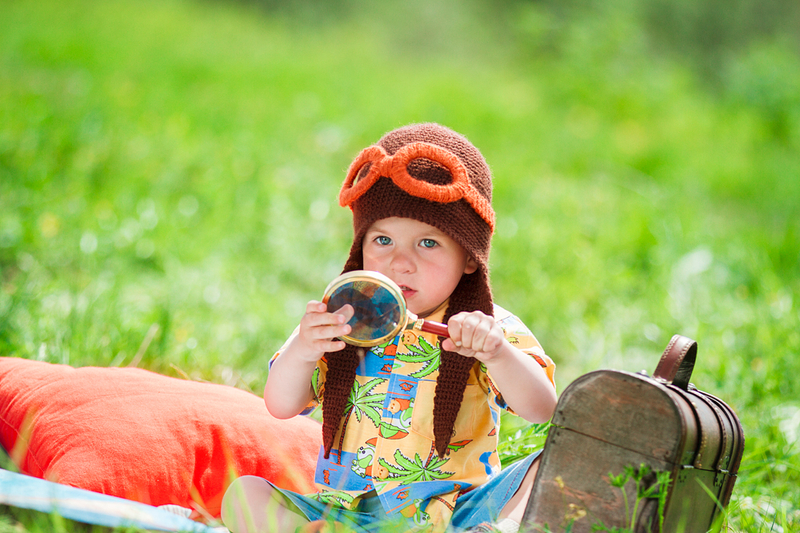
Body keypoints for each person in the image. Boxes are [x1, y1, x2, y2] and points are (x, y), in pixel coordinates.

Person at [221, 123, 558, 533]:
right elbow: (280, 404)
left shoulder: (488, 326)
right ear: (360, 246)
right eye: (383, 241)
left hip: (456, 512)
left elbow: (542, 409)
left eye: (428, 243)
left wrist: (498, 353)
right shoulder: (342, 318)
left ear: (470, 257)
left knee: (552, 465)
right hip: (348, 515)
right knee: (245, 494)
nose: (401, 263)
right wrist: (305, 349)